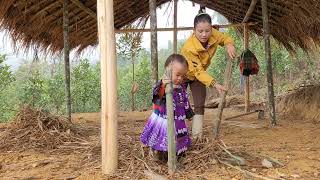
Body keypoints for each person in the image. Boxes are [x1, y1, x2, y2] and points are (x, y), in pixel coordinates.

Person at [181, 7, 236, 138]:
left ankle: (196, 136)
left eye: (207, 30)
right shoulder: (189, 48)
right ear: (193, 31)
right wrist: (215, 84)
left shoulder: (214, 34)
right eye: (200, 31)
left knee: (199, 103)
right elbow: (198, 72)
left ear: (211, 29)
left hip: (198, 75)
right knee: (178, 104)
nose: (204, 34)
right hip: (182, 74)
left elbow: (225, 38)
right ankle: (178, 135)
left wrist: (229, 44)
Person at [140, 54, 194, 162]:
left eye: (183, 76)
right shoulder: (163, 85)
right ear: (167, 71)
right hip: (164, 119)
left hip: (178, 119)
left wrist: (188, 113)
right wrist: (163, 86)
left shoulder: (181, 87)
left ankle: (177, 156)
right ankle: (159, 156)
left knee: (177, 138)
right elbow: (157, 97)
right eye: (177, 75)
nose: (180, 78)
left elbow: (184, 101)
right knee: (162, 137)